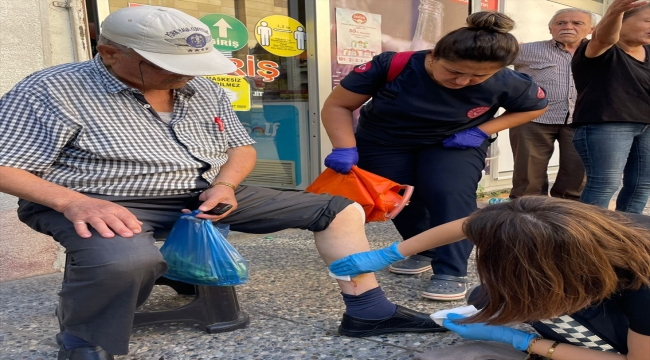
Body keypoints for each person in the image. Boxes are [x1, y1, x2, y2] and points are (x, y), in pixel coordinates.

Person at [0, 7, 444, 360]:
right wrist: (74, 203)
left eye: (191, 64)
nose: (184, 76)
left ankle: (368, 312)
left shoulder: (201, 87)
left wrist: (227, 185)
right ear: (110, 53)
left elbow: (240, 147)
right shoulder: (49, 90)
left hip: (202, 191)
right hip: (101, 197)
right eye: (166, 66)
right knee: (123, 262)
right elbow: (6, 165)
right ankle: (84, 339)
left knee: (338, 208)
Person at [320, 11, 548, 301]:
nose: (463, 80)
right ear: (434, 55)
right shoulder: (394, 65)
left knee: (448, 192)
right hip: (384, 140)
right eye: (454, 71)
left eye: (478, 76)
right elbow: (338, 104)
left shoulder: (508, 81)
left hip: (453, 142)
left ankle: (451, 268)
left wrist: (482, 131)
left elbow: (535, 107)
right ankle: (422, 248)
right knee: (400, 198)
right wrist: (343, 146)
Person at [328, 196, 650, 359]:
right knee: (482, 297)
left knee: (525, 305)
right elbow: (467, 225)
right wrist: (391, 252)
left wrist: (526, 342)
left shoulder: (643, 283)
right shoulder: (583, 223)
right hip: (602, 286)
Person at [571, 0, 650, 213]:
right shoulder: (598, 49)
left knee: (642, 184)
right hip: (607, 124)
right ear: (620, 21)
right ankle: (589, 240)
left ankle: (627, 235)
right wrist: (615, 10)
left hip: (647, 126)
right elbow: (603, 38)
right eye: (648, 21)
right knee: (604, 184)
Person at [509, 8, 595, 200]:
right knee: (528, 178)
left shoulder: (601, 52)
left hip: (582, 121)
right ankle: (525, 220)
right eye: (561, 23)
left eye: (577, 23)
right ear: (550, 28)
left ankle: (565, 220)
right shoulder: (526, 50)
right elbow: (489, 65)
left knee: (576, 177)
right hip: (532, 120)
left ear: (591, 29)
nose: (568, 27)